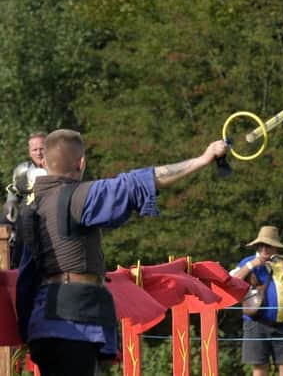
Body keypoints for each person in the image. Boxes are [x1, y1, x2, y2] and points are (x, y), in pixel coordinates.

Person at [15, 128, 228, 376]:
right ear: (81, 163)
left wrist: (26, 331)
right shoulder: (78, 197)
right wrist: (203, 159)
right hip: (73, 320)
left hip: (44, 324)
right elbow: (141, 182)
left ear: (45, 162)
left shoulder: (31, 210)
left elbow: (25, 279)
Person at [231, 226, 283, 376]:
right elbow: (231, 281)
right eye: (261, 245)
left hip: (282, 324)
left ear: (275, 247)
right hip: (256, 323)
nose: (264, 249)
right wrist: (252, 265)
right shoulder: (248, 262)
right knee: (260, 367)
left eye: (268, 245)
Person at [3, 132, 48, 269]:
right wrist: (10, 203)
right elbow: (13, 191)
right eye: (35, 149)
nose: (39, 153)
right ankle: (10, 263)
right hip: (25, 211)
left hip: (48, 212)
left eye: (42, 148)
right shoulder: (22, 170)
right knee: (5, 221)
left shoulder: (57, 166)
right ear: (29, 152)